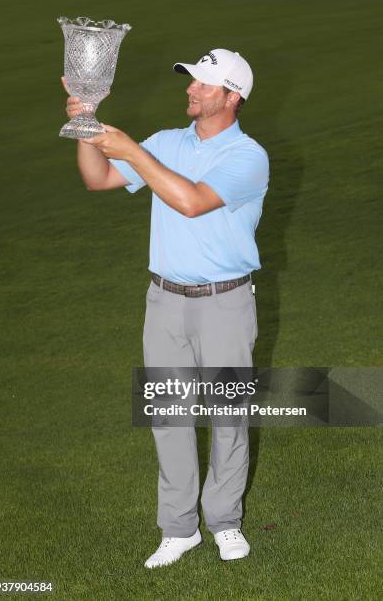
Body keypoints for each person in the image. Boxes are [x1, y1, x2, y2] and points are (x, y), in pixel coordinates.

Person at [63, 48, 269, 568]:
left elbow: (192, 201)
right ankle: (179, 529)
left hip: (225, 303)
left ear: (232, 96)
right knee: (169, 416)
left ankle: (224, 522)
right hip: (164, 301)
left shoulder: (248, 156)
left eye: (203, 84)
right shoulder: (166, 142)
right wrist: (85, 122)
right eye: (191, 82)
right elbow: (98, 179)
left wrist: (131, 150)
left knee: (227, 418)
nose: (191, 90)